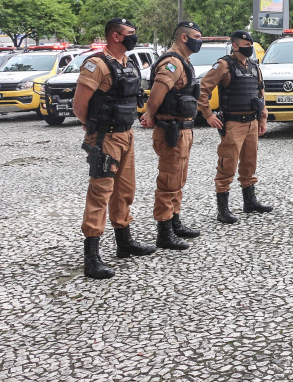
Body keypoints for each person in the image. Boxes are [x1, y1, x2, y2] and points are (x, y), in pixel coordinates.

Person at [73, 18, 155, 279]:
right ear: (116, 37)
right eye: (131, 33)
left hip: (126, 134)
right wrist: (94, 128)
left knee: (124, 190)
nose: (135, 37)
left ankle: (124, 243)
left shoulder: (128, 63)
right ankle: (92, 257)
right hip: (106, 137)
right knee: (100, 194)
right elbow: (79, 104)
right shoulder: (96, 64)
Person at [140, 20, 203, 250]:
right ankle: (164, 232)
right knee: (168, 182)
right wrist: (149, 114)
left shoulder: (184, 62)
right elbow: (157, 94)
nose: (200, 41)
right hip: (170, 131)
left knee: (178, 180)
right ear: (184, 38)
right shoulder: (172, 62)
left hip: (182, 130)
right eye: (197, 36)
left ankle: (175, 222)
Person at [198, 30, 273, 223]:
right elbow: (202, 90)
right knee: (227, 165)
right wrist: (208, 115)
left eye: (250, 45)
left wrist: (263, 119)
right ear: (235, 46)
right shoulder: (224, 65)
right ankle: (223, 209)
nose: (248, 48)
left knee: (249, 163)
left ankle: (250, 202)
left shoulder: (255, 67)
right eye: (244, 45)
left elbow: (260, 95)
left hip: (252, 122)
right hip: (233, 123)